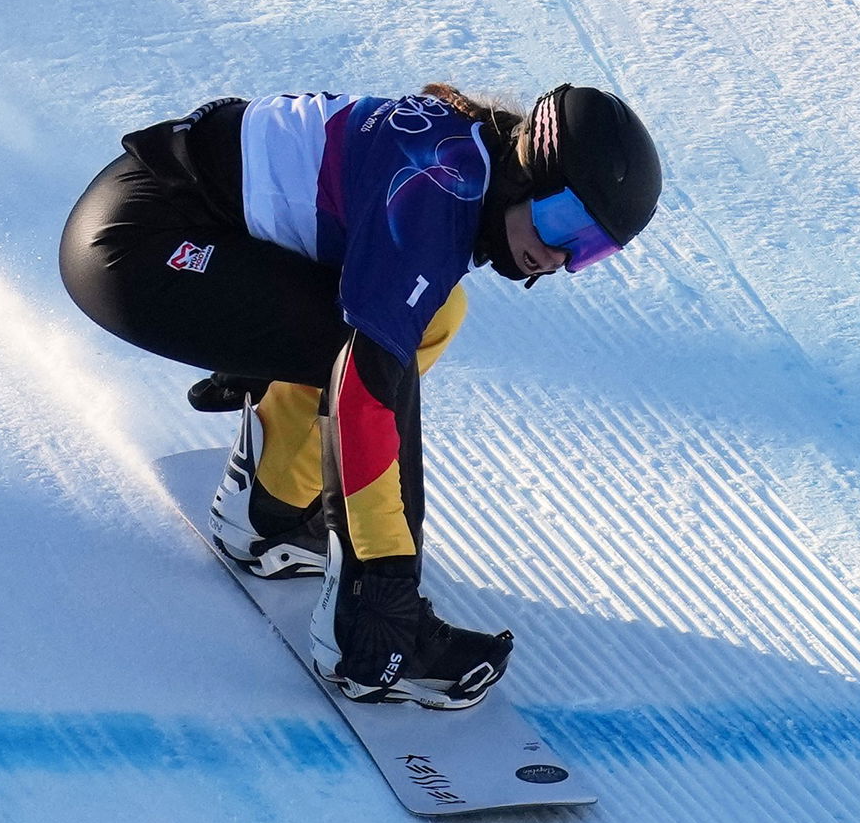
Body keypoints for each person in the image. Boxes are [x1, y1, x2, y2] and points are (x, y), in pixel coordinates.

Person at [59, 84, 662, 709]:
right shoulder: (436, 194)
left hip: (166, 215)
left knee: (424, 315)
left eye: (589, 248)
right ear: (528, 170)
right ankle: (366, 643)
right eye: (563, 220)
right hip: (133, 247)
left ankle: (271, 506)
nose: (559, 256)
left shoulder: (467, 162)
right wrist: (387, 595)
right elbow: (366, 403)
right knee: (373, 365)